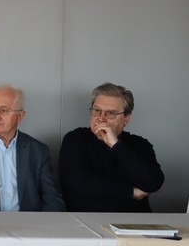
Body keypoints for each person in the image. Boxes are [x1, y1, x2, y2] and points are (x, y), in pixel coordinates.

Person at [59, 83, 164, 212]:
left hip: (134, 220)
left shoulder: (140, 144)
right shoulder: (76, 139)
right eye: (97, 111)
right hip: (87, 219)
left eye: (110, 113)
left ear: (126, 119)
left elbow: (153, 183)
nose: (101, 119)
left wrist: (116, 145)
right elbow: (77, 183)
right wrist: (130, 192)